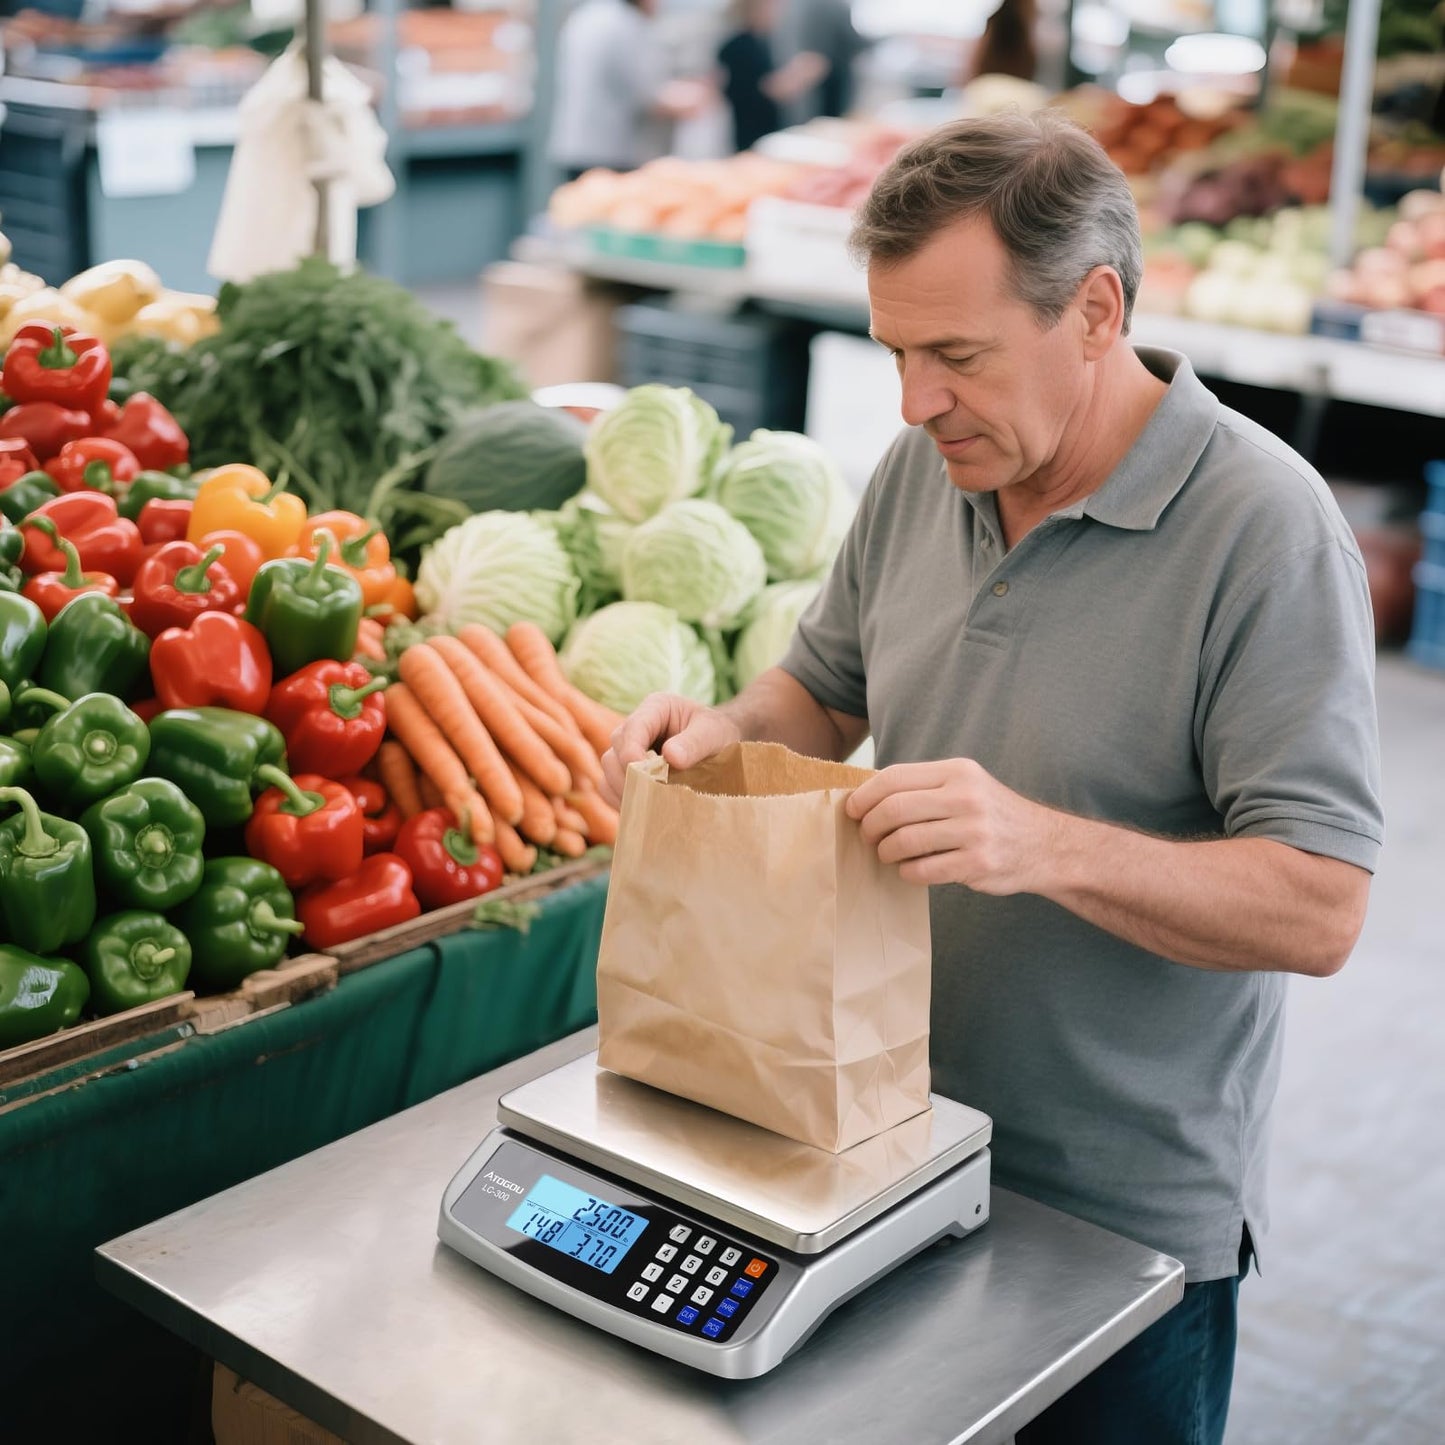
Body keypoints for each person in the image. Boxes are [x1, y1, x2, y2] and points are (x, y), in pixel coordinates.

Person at [602, 112, 1383, 1445]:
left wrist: (1039, 843)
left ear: (1095, 312)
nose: (914, 402)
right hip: (879, 1142)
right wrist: (718, 735)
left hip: (1114, 1224)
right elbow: (823, 692)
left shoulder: (1265, 530)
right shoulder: (926, 470)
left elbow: (1320, 907)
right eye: (895, 352)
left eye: (956, 356)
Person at [548, 0, 713, 181]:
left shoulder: (585, 16)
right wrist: (688, 98)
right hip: (611, 151)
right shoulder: (625, 23)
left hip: (575, 145)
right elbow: (645, 94)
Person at [770, 0, 869, 126]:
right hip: (831, 75)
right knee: (830, 121)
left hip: (804, 76)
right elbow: (854, 42)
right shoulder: (836, 5)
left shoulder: (794, 6)